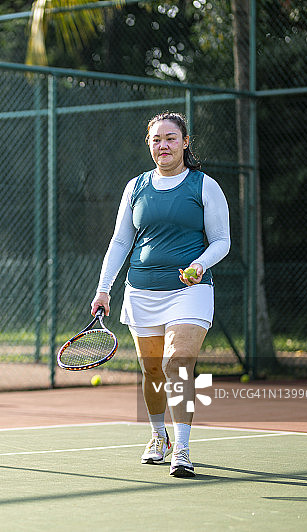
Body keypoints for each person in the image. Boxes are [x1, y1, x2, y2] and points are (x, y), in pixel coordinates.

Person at [90, 112, 230, 478]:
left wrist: (199, 264)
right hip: (141, 291)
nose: (163, 145)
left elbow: (222, 240)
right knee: (151, 370)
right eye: (156, 139)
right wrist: (104, 289)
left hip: (190, 290)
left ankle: (182, 447)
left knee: (177, 363)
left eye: (170, 138)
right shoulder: (135, 187)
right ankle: (158, 436)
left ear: (185, 142)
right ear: (149, 145)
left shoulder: (204, 186)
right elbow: (121, 241)